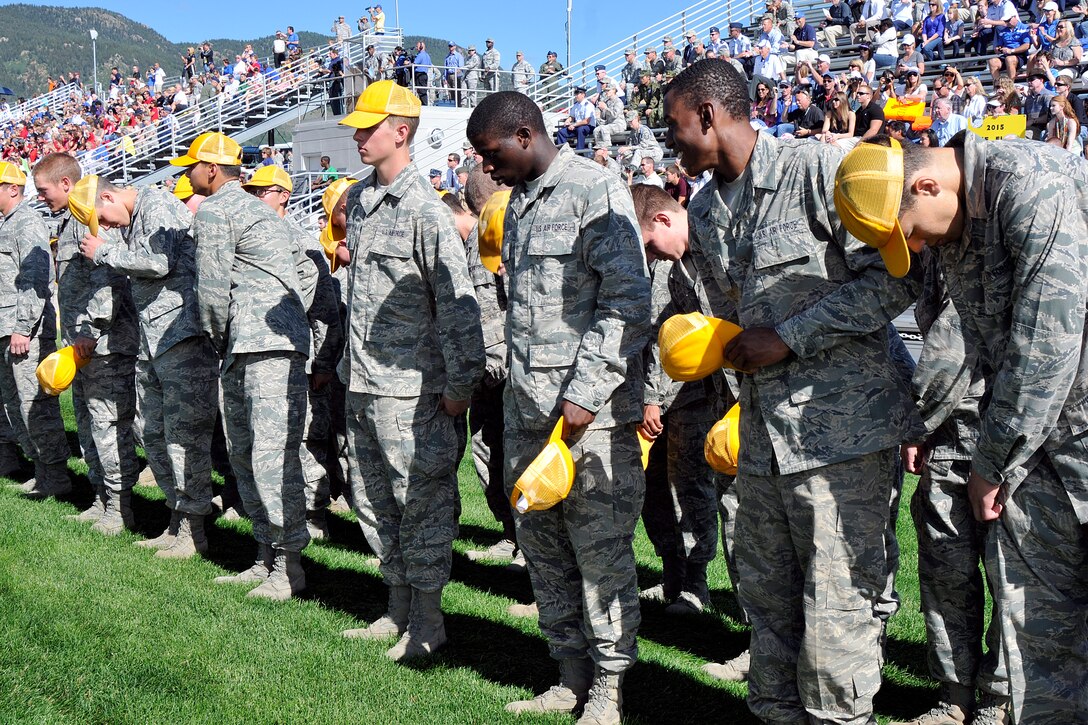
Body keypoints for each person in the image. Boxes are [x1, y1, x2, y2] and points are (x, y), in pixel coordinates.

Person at [662, 59, 919, 724]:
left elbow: (895, 280)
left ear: (711, 116)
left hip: (842, 438)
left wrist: (791, 335)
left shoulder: (817, 173)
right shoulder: (702, 213)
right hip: (762, 444)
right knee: (768, 612)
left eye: (676, 127)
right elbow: (731, 322)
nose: (672, 142)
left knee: (837, 620)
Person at [834, 131, 1088, 725]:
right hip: (1039, 445)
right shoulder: (953, 225)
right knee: (1040, 632)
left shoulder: (1030, 185)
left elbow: (1046, 342)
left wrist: (994, 461)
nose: (917, 249)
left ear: (927, 185)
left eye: (912, 233)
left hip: (1062, 433)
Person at [467, 90, 650, 724]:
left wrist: (585, 392)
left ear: (524, 134)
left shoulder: (594, 189)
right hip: (528, 413)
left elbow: (628, 302)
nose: (488, 169)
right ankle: (568, 673)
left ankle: (609, 689)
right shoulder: (515, 206)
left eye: (492, 155)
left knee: (600, 555)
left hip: (586, 420)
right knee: (542, 548)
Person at [335, 81, 484, 661]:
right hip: (364, 381)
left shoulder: (426, 210)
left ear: (401, 131)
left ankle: (427, 619)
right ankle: (395, 604)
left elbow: (457, 304)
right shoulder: (363, 203)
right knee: (372, 499)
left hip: (413, 390)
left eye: (368, 127)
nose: (356, 136)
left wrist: (457, 386)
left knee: (419, 503)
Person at [174, 132, 311, 600]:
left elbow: (211, 291)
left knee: (266, 457)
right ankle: (266, 555)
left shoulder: (217, 209)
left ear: (212, 169)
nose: (187, 175)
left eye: (191, 167)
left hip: (257, 345)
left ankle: (287, 564)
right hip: (265, 343)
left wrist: (215, 336)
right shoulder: (253, 209)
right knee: (251, 453)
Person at [73, 165, 219, 553]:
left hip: (181, 336)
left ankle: (193, 531)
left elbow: (158, 262)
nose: (107, 227)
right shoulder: (132, 220)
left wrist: (104, 251)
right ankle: (176, 521)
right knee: (154, 434)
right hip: (152, 341)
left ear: (108, 197)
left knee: (184, 436)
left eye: (102, 218)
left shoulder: (157, 203)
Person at [241, 165, 343, 541]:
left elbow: (324, 310)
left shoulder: (301, 242)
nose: (254, 198)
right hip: (268, 355)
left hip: (304, 359)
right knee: (272, 438)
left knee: (308, 439)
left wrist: (323, 362)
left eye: (261, 191)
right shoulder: (255, 237)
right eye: (250, 192)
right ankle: (284, 513)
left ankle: (315, 514)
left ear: (283, 195)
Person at [34, 156, 131, 511]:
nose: (41, 197)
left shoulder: (87, 218)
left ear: (65, 184)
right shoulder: (71, 219)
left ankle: (119, 506)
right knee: (89, 424)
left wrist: (93, 327)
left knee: (106, 423)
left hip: (99, 341)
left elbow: (107, 275)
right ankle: (100, 497)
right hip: (80, 340)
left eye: (44, 191)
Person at [0, 163, 72, 500]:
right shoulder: (8, 223)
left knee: (36, 405)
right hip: (8, 329)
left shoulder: (27, 222)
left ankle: (55, 475)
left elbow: (35, 278)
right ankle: (42, 471)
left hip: (23, 330)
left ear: (13, 188)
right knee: (16, 404)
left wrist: (23, 328)